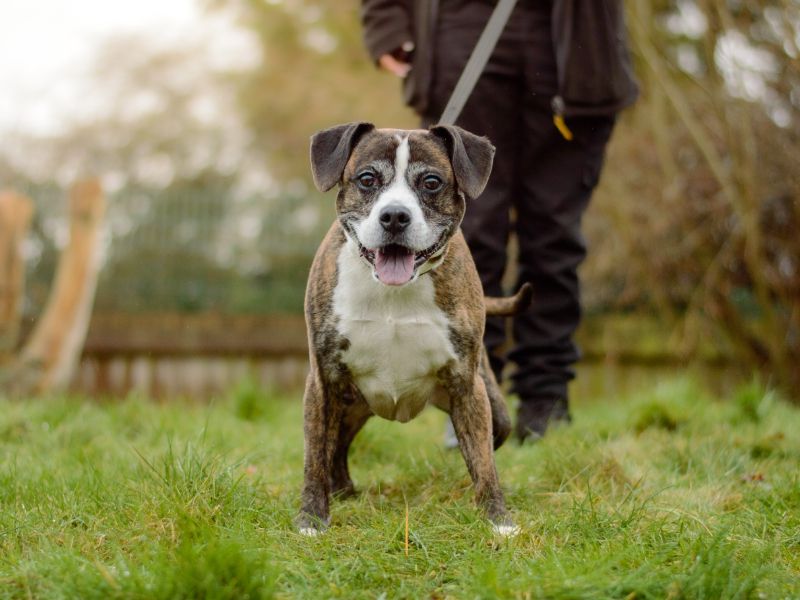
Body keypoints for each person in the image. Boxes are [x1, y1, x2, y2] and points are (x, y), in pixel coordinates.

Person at [361, 0, 638, 442]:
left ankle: (545, 402)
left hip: (576, 36)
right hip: (462, 27)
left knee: (554, 234)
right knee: (471, 230)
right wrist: (385, 22)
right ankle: (470, 398)